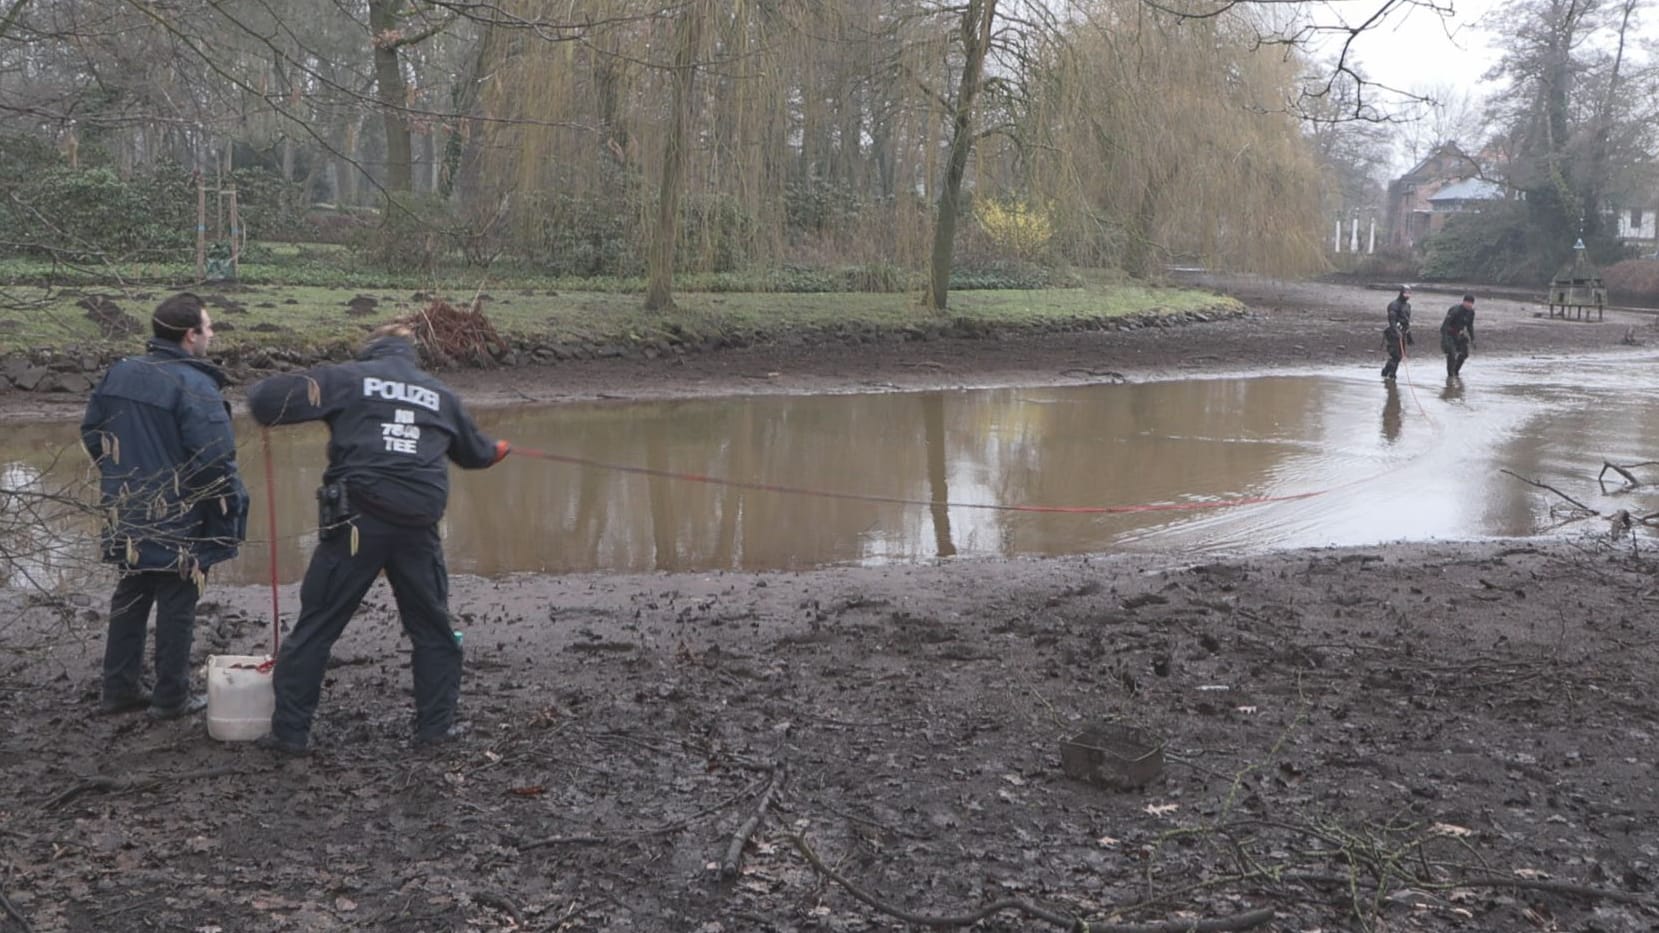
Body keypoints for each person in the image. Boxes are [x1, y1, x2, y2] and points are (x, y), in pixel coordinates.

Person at [246, 323, 509, 756]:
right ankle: (435, 730)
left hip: (356, 523)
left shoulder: (348, 378)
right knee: (433, 631)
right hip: (417, 527)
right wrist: (499, 448)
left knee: (317, 626)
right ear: (412, 356)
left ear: (371, 351)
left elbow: (264, 402)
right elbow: (476, 454)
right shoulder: (440, 394)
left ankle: (290, 736)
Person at [80, 293, 248, 719]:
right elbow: (214, 458)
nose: (212, 334)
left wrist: (121, 476)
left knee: (132, 593)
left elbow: (92, 433)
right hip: (180, 516)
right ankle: (171, 697)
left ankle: (119, 689)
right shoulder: (195, 385)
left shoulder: (120, 372)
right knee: (178, 599)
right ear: (190, 336)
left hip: (128, 509)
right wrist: (226, 508)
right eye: (208, 328)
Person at [1381, 285, 1413, 380]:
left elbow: (1407, 321)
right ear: (1401, 293)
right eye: (1405, 293)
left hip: (1403, 332)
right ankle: (1390, 374)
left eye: (1409, 293)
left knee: (1400, 355)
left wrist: (1409, 335)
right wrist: (1396, 331)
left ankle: (1387, 373)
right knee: (1396, 355)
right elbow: (1392, 320)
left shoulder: (1408, 306)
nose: (1407, 295)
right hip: (1393, 333)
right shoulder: (1394, 305)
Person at [1440, 293, 1476, 378]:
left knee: (1464, 354)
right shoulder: (1455, 310)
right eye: (1467, 302)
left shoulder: (1471, 312)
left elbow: (1470, 326)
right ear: (1463, 302)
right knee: (1451, 354)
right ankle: (1450, 375)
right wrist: (1445, 340)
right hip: (1449, 334)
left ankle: (1455, 371)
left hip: (1459, 334)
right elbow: (1444, 326)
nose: (1469, 304)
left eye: (1471, 303)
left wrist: (1473, 339)